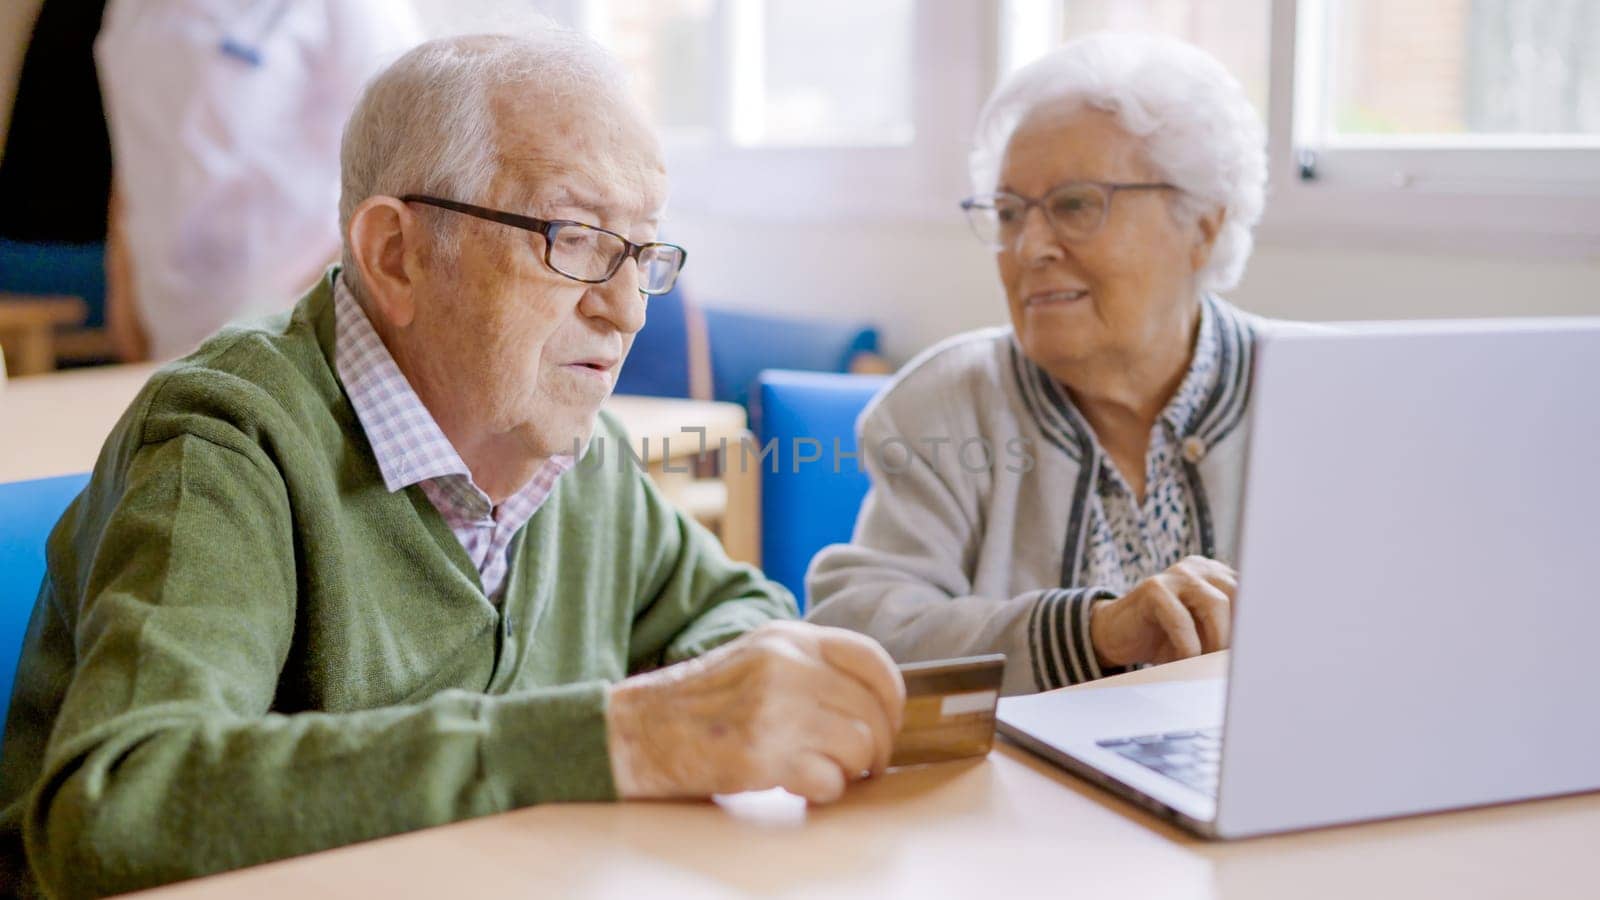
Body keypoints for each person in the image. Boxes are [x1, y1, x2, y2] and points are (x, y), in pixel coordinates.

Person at [0, 31, 904, 898]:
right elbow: (121, 803)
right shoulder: (228, 442)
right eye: (575, 236)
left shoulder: (582, 452)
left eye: (639, 251)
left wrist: (729, 700)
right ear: (395, 254)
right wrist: (624, 740)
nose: (627, 311)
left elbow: (727, 610)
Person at [808, 33, 1284, 696]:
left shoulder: (1318, 393)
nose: (1029, 247)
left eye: (1076, 205)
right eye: (1008, 213)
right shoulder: (946, 402)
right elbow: (860, 634)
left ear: (1201, 225)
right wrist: (1094, 632)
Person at [95, 0, 424, 361]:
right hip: (164, 334)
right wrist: (123, 295)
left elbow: (410, 159)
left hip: (300, 338)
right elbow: (135, 154)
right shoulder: (128, 8)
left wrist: (300, 315)